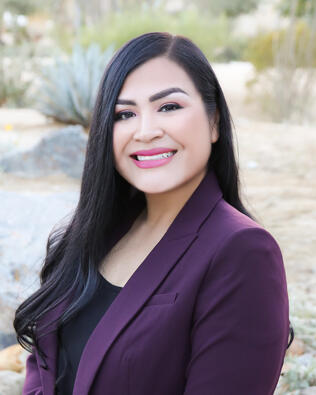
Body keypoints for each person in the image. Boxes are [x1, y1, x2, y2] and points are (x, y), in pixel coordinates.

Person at [14, 31, 294, 395]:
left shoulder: (242, 252)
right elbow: (44, 372)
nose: (145, 132)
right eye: (125, 114)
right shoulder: (86, 238)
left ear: (214, 123)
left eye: (169, 107)